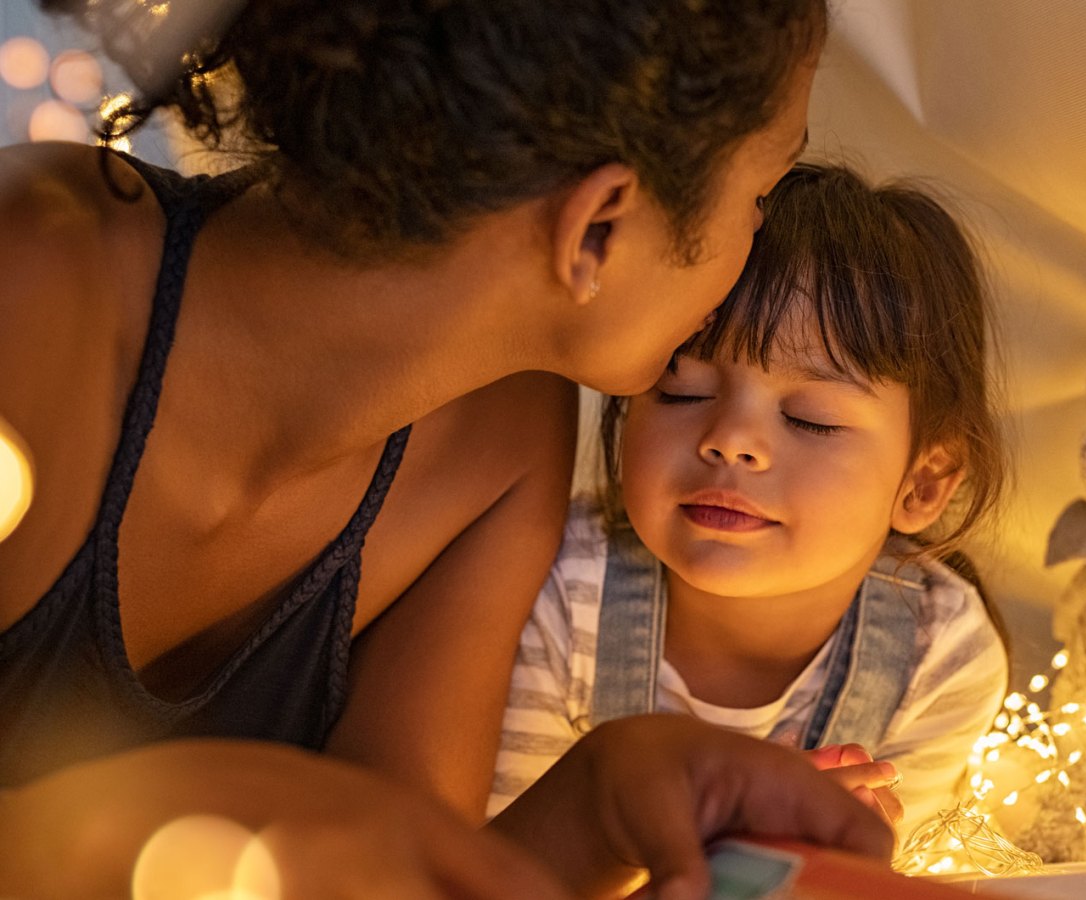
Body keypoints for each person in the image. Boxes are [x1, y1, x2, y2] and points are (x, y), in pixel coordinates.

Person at [0, 1, 899, 897]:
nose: (755, 245)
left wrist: (600, 803)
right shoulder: (34, 282)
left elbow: (400, 879)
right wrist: (223, 807)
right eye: (760, 196)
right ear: (599, 223)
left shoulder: (501, 446)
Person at [489, 163, 1011, 844]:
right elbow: (499, 868)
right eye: (684, 391)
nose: (731, 441)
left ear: (924, 484)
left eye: (809, 419)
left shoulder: (941, 655)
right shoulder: (557, 589)